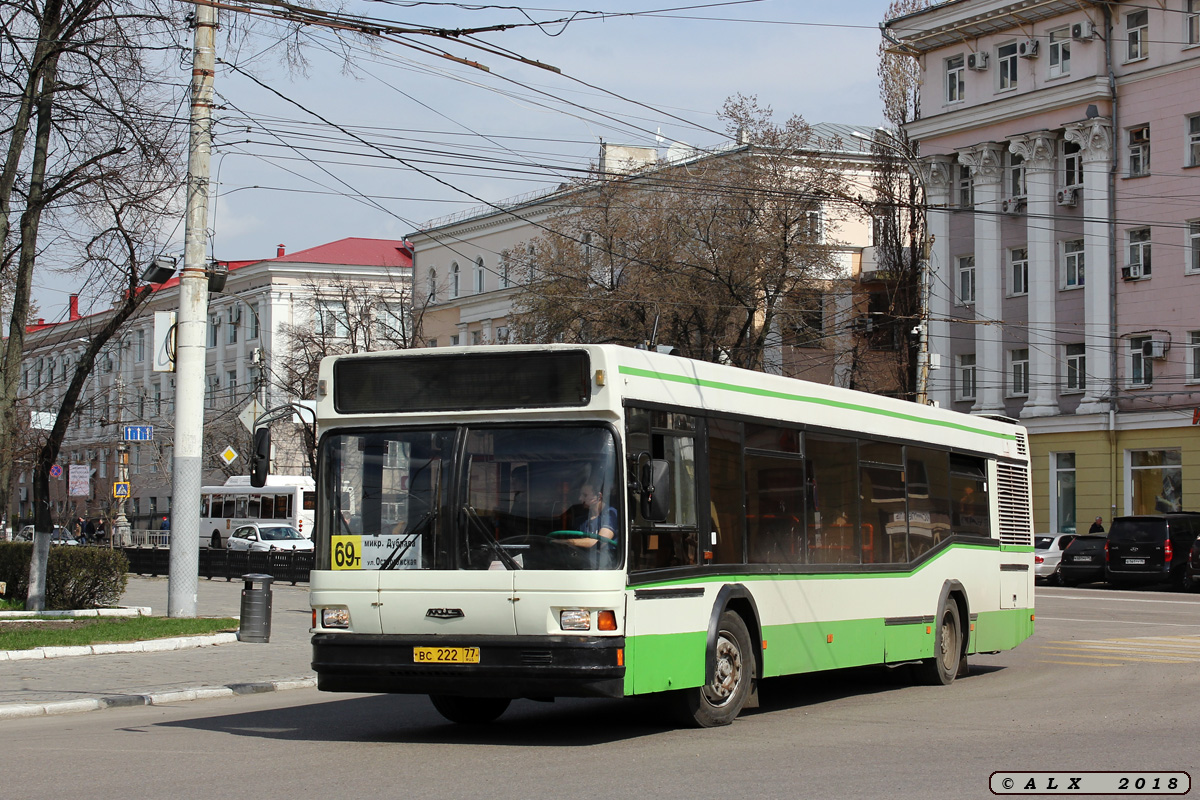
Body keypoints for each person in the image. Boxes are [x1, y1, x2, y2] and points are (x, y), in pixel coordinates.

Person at [565, 482, 617, 549]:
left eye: (585, 495)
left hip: (606, 558)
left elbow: (600, 541)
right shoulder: (580, 521)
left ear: (599, 496)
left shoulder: (611, 514)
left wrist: (566, 542)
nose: (580, 499)